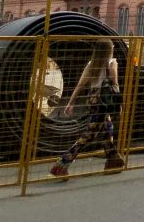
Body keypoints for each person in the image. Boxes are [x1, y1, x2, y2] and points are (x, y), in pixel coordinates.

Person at [50, 38, 125, 179]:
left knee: (106, 128)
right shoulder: (112, 63)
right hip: (105, 100)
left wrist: (70, 102)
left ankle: (113, 160)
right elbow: (114, 83)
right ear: (110, 50)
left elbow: (80, 84)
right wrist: (119, 103)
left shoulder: (91, 64)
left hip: (93, 100)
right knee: (89, 134)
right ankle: (62, 164)